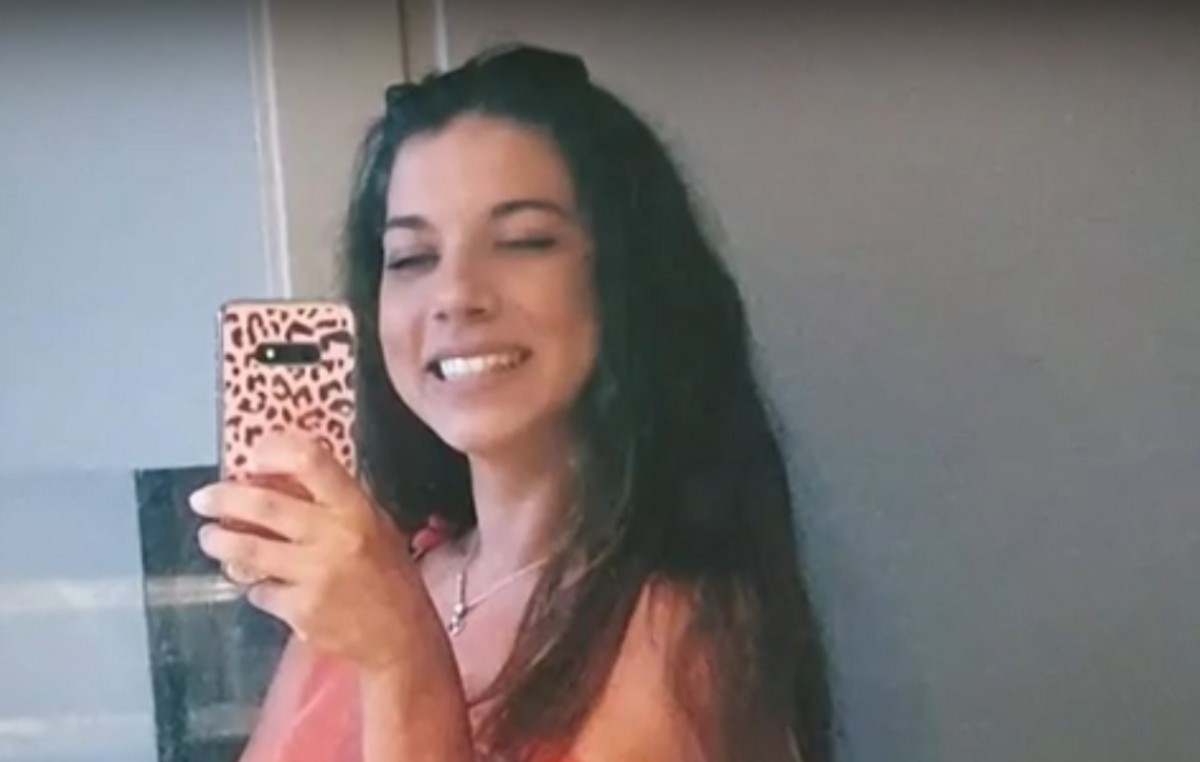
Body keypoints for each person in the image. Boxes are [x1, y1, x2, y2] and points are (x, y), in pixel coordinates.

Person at [189, 44, 832, 762]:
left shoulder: (683, 625)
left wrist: (404, 659)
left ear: (626, 277)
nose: (456, 294)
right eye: (412, 258)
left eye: (523, 242)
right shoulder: (382, 578)